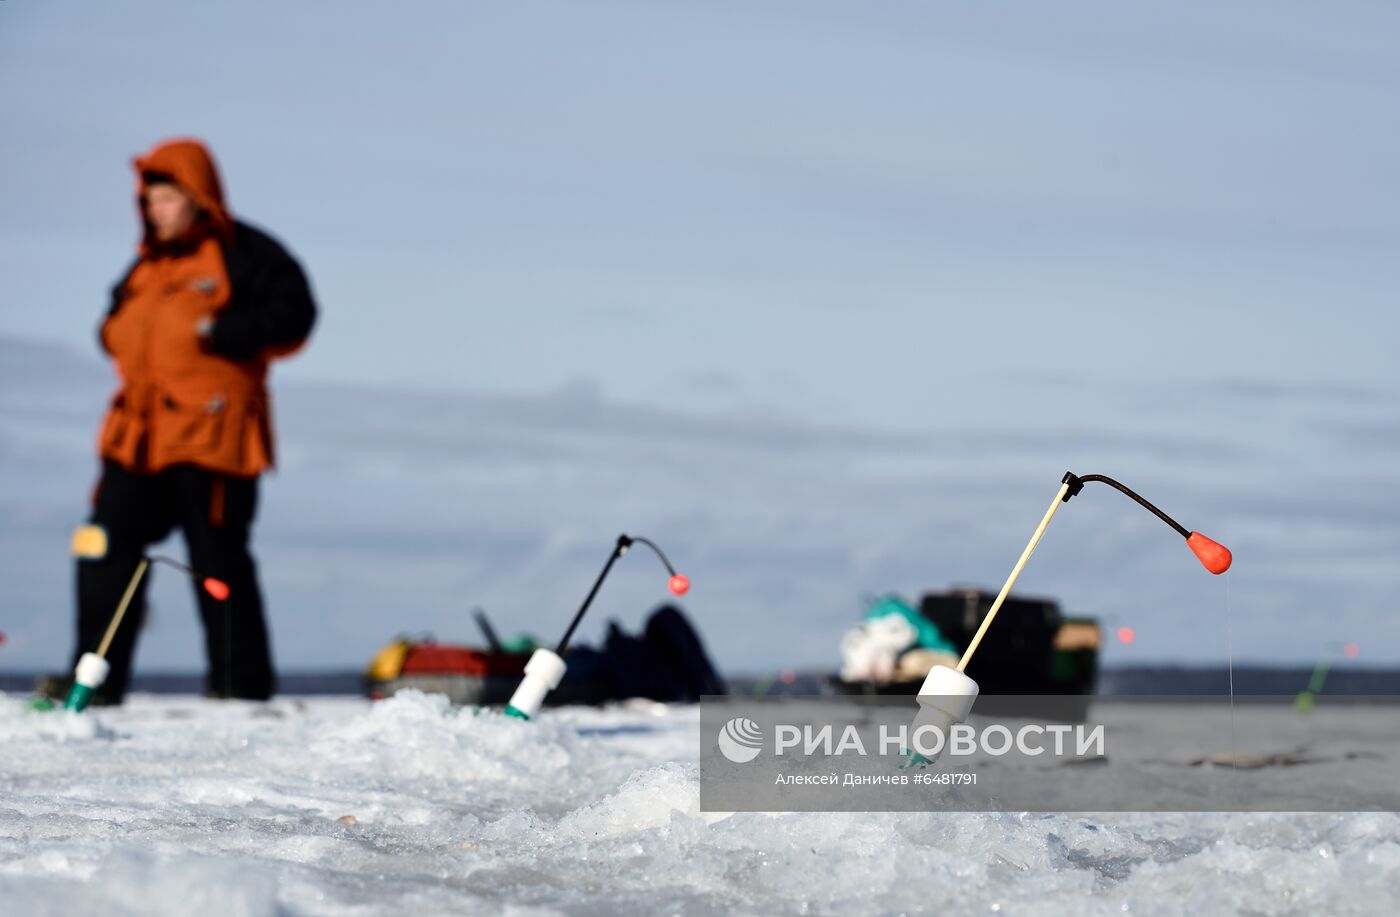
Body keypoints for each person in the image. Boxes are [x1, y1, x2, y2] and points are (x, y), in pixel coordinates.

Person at [68, 137, 316, 703]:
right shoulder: (145, 266)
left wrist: (227, 333)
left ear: (197, 197)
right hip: (138, 442)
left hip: (214, 441)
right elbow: (112, 324)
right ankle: (92, 685)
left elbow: (296, 315)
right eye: (148, 200)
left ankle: (241, 693)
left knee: (218, 563)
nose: (154, 210)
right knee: (101, 550)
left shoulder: (246, 253)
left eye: (166, 198)